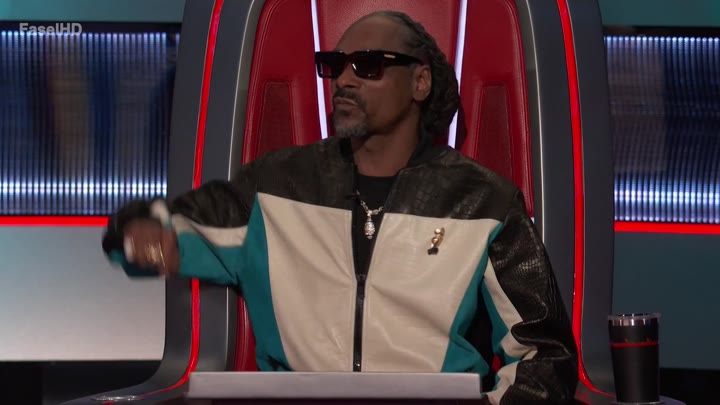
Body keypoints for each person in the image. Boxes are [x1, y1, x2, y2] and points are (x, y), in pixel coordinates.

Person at [102, 10, 578, 404]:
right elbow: (155, 233)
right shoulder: (274, 187)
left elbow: (544, 354)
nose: (344, 80)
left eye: (368, 66)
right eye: (335, 65)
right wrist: (141, 237)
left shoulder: (483, 202)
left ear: (420, 82)